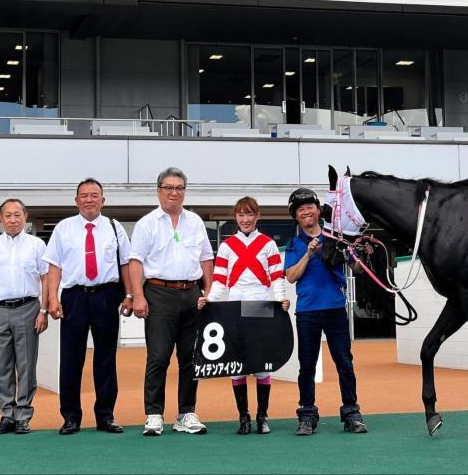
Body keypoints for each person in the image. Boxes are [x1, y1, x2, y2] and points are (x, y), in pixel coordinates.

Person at [45, 178, 134, 435]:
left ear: (103, 200)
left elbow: (126, 264)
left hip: (106, 296)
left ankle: (105, 416)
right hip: (74, 297)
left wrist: (129, 295)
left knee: (105, 359)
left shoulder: (115, 228)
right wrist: (52, 297)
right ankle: (71, 416)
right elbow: (54, 266)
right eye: (83, 195)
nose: (89, 199)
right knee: (71, 359)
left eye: (94, 195)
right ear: (76, 201)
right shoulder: (63, 228)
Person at [130, 166, 214, 436]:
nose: (174, 193)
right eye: (169, 188)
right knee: (158, 357)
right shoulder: (146, 223)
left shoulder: (196, 221)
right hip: (158, 294)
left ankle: (186, 413)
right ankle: (154, 414)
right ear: (159, 191)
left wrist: (209, 290)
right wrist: (138, 295)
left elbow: (205, 258)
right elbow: (135, 262)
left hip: (191, 294)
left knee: (191, 358)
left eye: (179, 188)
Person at [197, 197, 289, 434]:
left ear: (257, 216)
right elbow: (219, 282)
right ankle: (243, 417)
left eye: (249, 215)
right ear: (235, 217)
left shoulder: (268, 244)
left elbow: (276, 277)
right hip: (234, 306)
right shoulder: (227, 246)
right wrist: (209, 300)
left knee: (262, 365)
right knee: (237, 364)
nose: (245, 220)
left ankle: (262, 416)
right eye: (240, 215)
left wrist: (280, 300)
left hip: (261, 305)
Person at [284, 188, 368, 435]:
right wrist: (309, 255)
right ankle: (307, 414)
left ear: (318, 210)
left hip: (334, 309)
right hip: (307, 311)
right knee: (306, 365)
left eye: (309, 206)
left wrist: (363, 254)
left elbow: (357, 268)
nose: (306, 212)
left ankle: (351, 412)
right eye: (300, 209)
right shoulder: (294, 244)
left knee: (344, 362)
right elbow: (290, 276)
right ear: (296, 216)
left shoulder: (336, 238)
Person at [0, 198, 50, 435]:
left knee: (27, 364)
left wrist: (44, 310)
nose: (13, 220)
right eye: (8, 215)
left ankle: (23, 415)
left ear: (25, 217)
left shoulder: (37, 245)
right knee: (2, 365)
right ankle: (6, 414)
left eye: (17, 215)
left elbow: (46, 278)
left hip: (28, 308)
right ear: (0, 218)